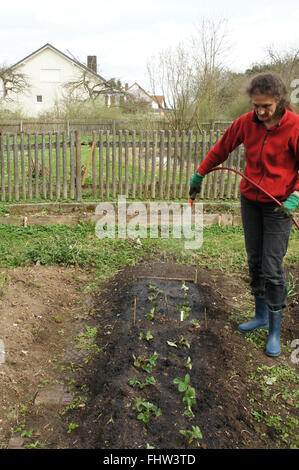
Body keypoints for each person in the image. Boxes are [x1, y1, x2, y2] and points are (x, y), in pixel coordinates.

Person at [189, 72, 299, 357]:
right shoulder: (246, 123)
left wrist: (295, 196)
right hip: (250, 200)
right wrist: (200, 173)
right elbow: (222, 148)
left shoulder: (294, 126)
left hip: (280, 206)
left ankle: (274, 329)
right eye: (256, 106)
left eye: (267, 107)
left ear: (280, 101)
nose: (261, 112)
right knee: (254, 260)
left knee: (272, 266)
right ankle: (260, 316)